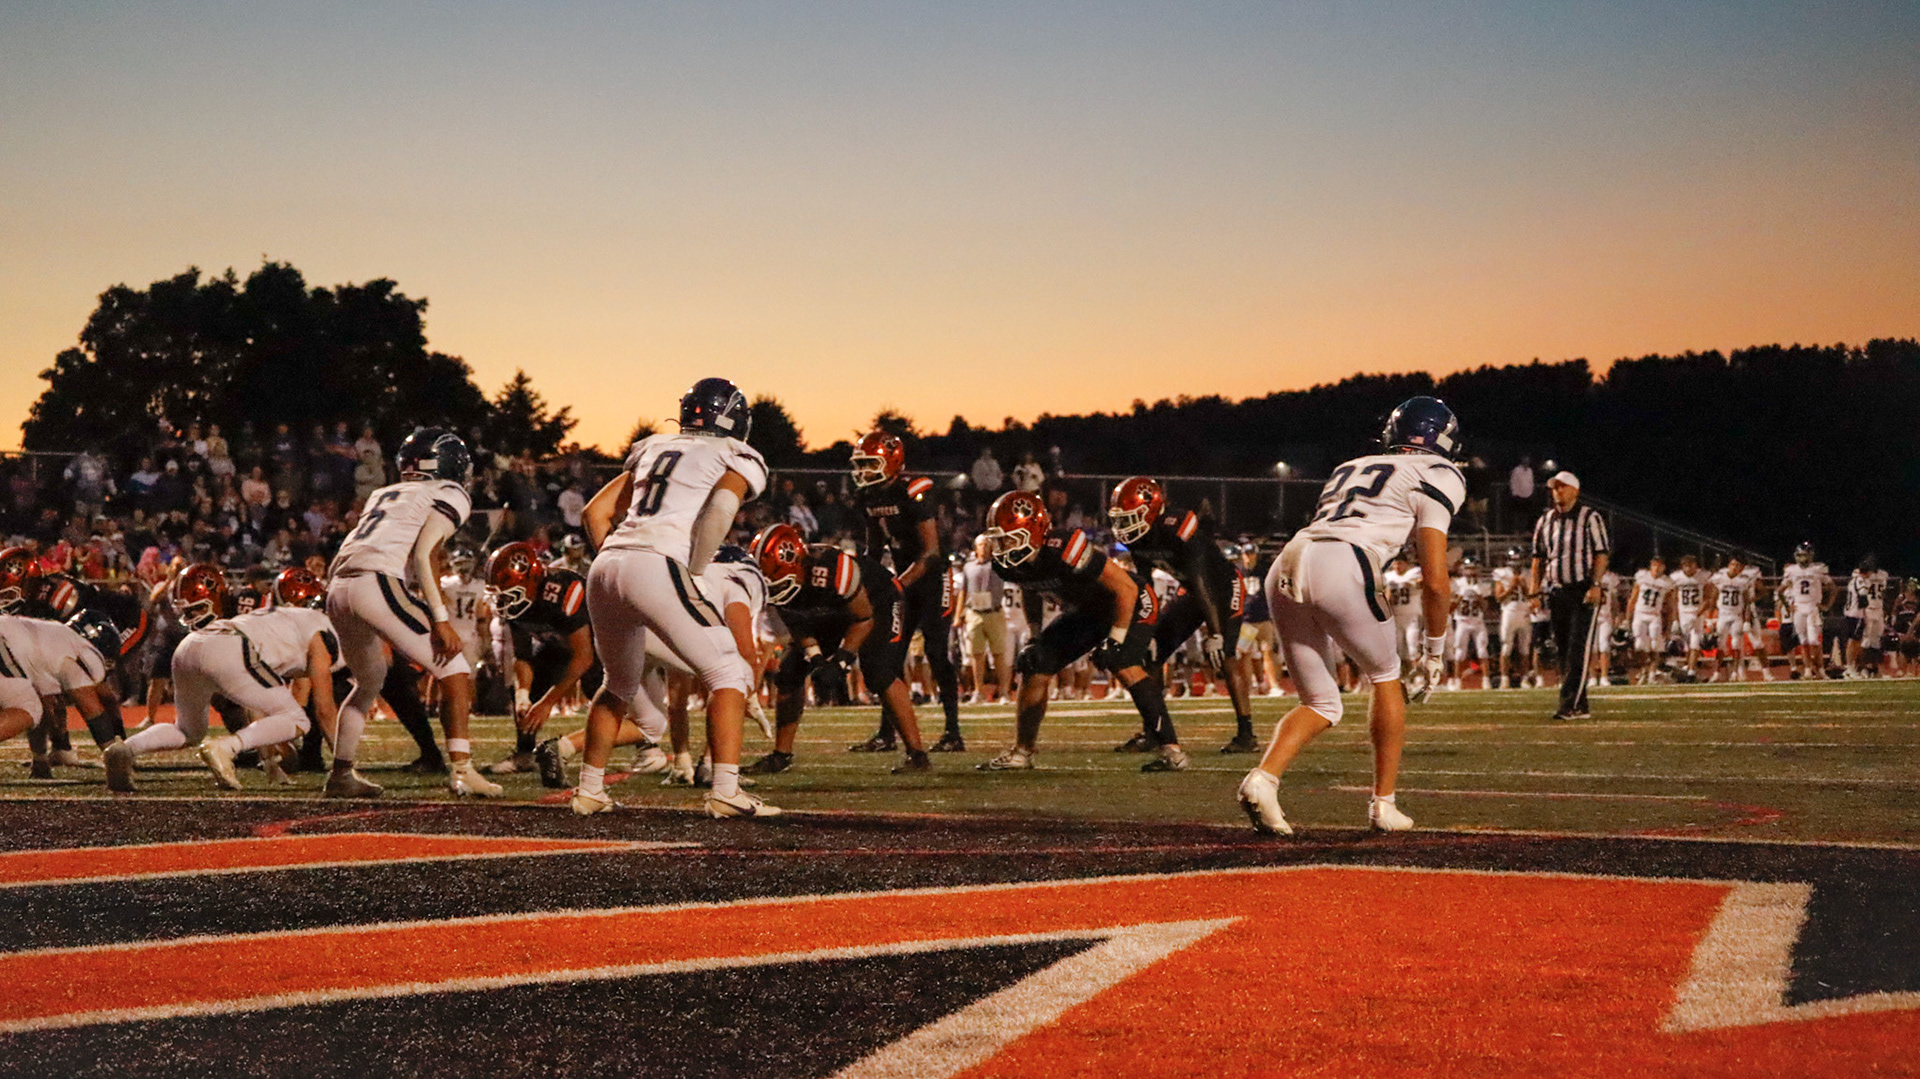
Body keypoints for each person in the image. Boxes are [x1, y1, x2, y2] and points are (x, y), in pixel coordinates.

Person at [1236, 396, 1464, 836]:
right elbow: (1435, 579)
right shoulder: (1440, 472)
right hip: (1345, 562)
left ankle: (1263, 779)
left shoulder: (1352, 465)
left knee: (1320, 702)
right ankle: (1384, 805)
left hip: (1289, 560)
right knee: (1386, 675)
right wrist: (1435, 651)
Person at [573, 378, 776, 818]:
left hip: (606, 565)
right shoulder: (735, 453)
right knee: (731, 671)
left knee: (618, 684)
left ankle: (589, 790)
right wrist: (695, 571)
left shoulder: (653, 447)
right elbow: (721, 510)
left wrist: (621, 558)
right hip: (659, 563)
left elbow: (594, 513)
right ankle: (725, 791)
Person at [323, 428, 496, 798]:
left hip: (338, 587)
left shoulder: (383, 492)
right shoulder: (448, 492)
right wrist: (440, 619)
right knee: (455, 668)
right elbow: (424, 553)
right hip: (375, 581)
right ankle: (462, 771)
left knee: (369, 681)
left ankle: (341, 773)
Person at [976, 490, 1184, 773]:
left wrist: (1116, 638)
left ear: (1034, 531)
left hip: (1131, 600)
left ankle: (1172, 751)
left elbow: (1125, 588)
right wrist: (1035, 634)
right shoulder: (1007, 565)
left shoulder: (1063, 548)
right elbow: (1031, 589)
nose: (1002, 546)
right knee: (1036, 662)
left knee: (1122, 661)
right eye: (999, 539)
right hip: (1088, 610)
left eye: (1009, 538)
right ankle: (1022, 752)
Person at [106, 566, 338, 792]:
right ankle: (225, 748)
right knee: (297, 720)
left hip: (188, 648)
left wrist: (269, 761)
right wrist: (344, 766)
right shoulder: (315, 624)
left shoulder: (266, 615)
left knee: (187, 730)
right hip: (229, 647)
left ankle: (125, 749)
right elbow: (322, 708)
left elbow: (256, 705)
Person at [744, 523, 932, 777]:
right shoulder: (782, 583)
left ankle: (917, 755)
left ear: (796, 562)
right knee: (789, 671)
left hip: (876, 601)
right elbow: (797, 622)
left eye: (776, 581)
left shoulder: (833, 569)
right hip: (831, 610)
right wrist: (816, 659)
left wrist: (842, 660)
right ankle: (781, 755)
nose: (773, 589)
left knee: (878, 672)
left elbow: (863, 618)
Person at [1108, 476, 1260, 752]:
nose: (1123, 526)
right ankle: (1154, 732)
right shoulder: (1139, 538)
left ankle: (1246, 734)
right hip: (1192, 591)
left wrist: (1215, 633)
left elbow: (1201, 578)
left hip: (1223, 587)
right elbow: (1145, 585)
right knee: (1152, 654)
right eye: (1121, 519)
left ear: (1151, 509)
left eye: (1130, 517)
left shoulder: (1176, 526)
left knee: (1225, 655)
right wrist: (1145, 628)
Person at [850, 432, 964, 752]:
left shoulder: (913, 490)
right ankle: (887, 735)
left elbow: (931, 552)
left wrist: (897, 584)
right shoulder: (868, 496)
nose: (864, 471)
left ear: (892, 462)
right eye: (861, 465)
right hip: (904, 580)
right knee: (891, 656)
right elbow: (874, 550)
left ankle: (953, 733)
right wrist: (865, 581)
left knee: (937, 652)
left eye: (870, 464)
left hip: (932, 578)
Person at [481, 541, 598, 774]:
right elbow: (522, 655)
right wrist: (523, 695)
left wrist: (547, 703)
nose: (503, 601)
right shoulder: (518, 604)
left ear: (531, 580)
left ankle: (647, 745)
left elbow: (584, 657)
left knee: (602, 694)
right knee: (526, 689)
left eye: (510, 592)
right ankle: (524, 755)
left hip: (601, 647)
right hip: (557, 644)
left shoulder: (562, 590)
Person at [1528, 471, 1610, 720]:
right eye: (1555, 488)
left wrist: (1595, 584)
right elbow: (1538, 558)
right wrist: (1534, 591)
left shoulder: (1589, 517)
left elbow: (1601, 553)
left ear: (1575, 490)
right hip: (1557, 590)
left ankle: (1569, 704)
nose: (1558, 492)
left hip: (1582, 590)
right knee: (1563, 650)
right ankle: (1580, 704)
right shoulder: (1546, 520)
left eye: (1562, 487)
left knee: (1577, 649)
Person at [960, 535, 1008, 709]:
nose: (984, 547)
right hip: (974, 612)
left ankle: (1004, 691)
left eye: (987, 544)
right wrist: (959, 614)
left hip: (993, 611)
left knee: (999, 654)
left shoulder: (998, 565)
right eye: (981, 544)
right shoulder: (968, 567)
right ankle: (978, 690)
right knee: (976, 655)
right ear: (976, 547)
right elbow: (964, 591)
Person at [1778, 543, 1834, 680]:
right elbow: (1780, 591)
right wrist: (1787, 605)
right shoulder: (1791, 570)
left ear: (1810, 555)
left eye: (1804, 555)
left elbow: (1832, 587)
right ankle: (1808, 670)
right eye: (1799, 555)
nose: (1801, 558)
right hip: (1798, 608)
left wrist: (1827, 605)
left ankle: (1820, 670)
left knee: (1814, 641)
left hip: (1813, 607)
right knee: (1803, 641)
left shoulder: (1817, 569)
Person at [1704, 555, 1763, 683]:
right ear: (1728, 566)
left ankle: (1735, 672)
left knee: (1736, 644)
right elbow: (1712, 599)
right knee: (1720, 644)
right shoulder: (1720, 578)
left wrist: (1746, 620)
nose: (1734, 567)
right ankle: (1716, 673)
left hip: (1736, 616)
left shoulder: (1743, 581)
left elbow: (1747, 603)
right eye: (1732, 565)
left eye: (1737, 565)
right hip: (1723, 615)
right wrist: (1709, 618)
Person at [1490, 548, 1536, 689]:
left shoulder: (1528, 573)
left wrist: (1524, 587)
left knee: (1525, 648)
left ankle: (1524, 678)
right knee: (1506, 647)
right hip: (1509, 611)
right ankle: (1504, 679)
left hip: (1525, 611)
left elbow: (1532, 596)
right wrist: (1511, 587)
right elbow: (1498, 597)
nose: (1516, 563)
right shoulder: (1501, 573)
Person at [1627, 556, 1676, 684]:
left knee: (1655, 645)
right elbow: (1633, 598)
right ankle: (1644, 668)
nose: (1656, 568)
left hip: (1655, 615)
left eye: (1659, 565)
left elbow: (1670, 606)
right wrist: (1628, 618)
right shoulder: (1642, 577)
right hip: (1640, 613)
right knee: (1639, 645)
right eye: (1654, 565)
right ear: (1650, 565)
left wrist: (1668, 626)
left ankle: (1652, 673)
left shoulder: (1667, 582)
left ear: (1664, 567)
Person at [1446, 558, 1492, 691]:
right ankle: (1457, 681)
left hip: (1478, 622)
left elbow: (1486, 608)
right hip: (1462, 622)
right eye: (1468, 568)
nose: (1471, 572)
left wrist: (1480, 598)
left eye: (1473, 568)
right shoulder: (1457, 584)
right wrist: (1458, 599)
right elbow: (1450, 608)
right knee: (1459, 653)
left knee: (1483, 651)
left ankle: (1486, 680)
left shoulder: (1482, 585)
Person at [1842, 555, 1890, 678]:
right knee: (1863, 641)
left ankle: (1874, 668)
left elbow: (1883, 593)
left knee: (1876, 641)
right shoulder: (1860, 577)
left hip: (1877, 609)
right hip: (1866, 610)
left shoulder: (1881, 575)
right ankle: (1860, 667)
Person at [1670, 554, 1711, 680]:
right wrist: (1675, 619)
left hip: (1697, 612)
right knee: (1686, 645)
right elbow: (1674, 599)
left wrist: (1698, 613)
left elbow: (1707, 598)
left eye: (1691, 565)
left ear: (1696, 565)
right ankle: (1688, 668)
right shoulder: (1676, 578)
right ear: (1682, 566)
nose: (1689, 568)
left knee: (1695, 642)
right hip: (1683, 613)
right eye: (1686, 565)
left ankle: (1691, 672)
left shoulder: (1703, 577)